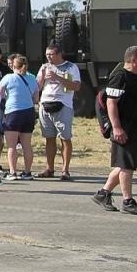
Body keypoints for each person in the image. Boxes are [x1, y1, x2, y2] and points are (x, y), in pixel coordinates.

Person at [93, 45, 137, 215]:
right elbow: (111, 102)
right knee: (126, 165)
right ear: (133, 60)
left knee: (125, 165)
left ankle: (103, 194)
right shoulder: (120, 77)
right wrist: (117, 127)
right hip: (125, 129)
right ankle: (128, 201)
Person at [37, 43, 81, 181]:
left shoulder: (71, 67)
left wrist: (58, 77)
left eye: (51, 54)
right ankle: (49, 168)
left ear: (59, 54)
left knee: (65, 138)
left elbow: (76, 86)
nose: (48, 57)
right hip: (45, 104)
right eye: (47, 55)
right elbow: (37, 87)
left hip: (63, 104)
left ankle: (65, 170)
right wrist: (42, 77)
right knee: (49, 138)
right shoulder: (44, 67)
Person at [0, 54, 41, 181]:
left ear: (13, 66)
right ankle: (27, 172)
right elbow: (36, 99)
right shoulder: (32, 78)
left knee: (11, 145)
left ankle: (13, 172)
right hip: (28, 112)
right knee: (26, 145)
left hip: (13, 112)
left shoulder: (8, 78)